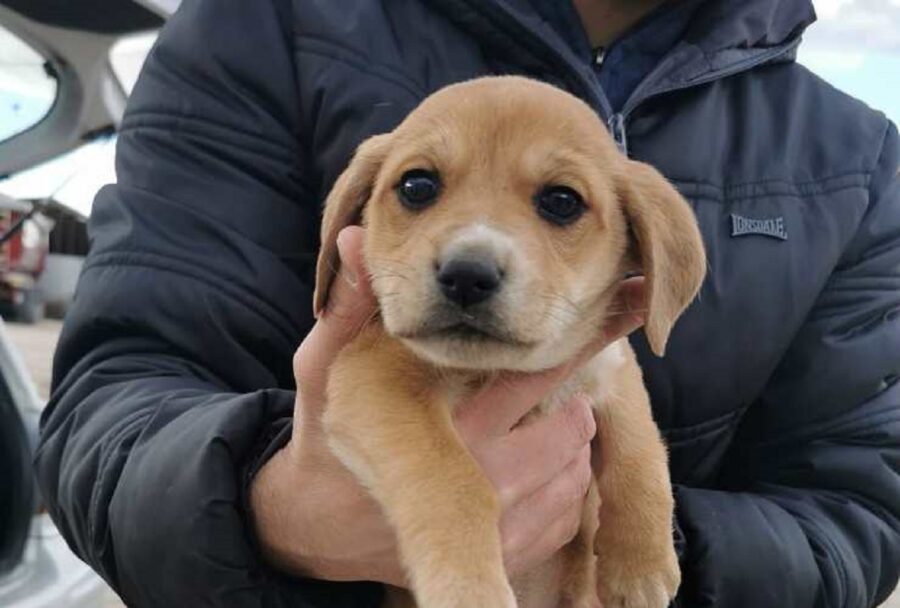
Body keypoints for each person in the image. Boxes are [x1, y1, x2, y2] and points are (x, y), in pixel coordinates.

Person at [35, 0, 900, 606]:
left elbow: (857, 507)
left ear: (646, 260)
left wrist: (640, 543)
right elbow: (114, 395)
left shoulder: (859, 161)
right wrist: (269, 511)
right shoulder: (266, 23)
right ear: (354, 209)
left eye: (559, 202)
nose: (469, 255)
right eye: (419, 187)